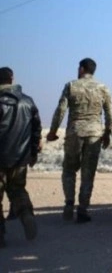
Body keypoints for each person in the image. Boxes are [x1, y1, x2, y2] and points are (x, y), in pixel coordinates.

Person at [46, 58, 112, 223]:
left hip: (74, 132)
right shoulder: (103, 88)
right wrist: (107, 133)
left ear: (82, 69)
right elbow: (110, 114)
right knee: (88, 173)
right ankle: (83, 209)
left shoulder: (71, 85)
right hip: (94, 134)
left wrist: (53, 132)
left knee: (69, 170)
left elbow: (60, 110)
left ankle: (69, 202)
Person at [0, 67, 42, 247]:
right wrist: (33, 153)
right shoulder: (27, 101)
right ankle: (25, 214)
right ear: (12, 78)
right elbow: (36, 130)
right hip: (20, 157)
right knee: (18, 190)